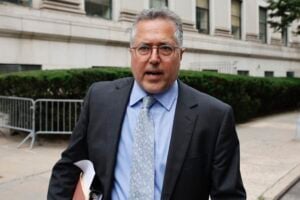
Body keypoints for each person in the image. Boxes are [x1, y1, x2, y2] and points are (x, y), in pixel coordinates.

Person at [47, 8, 246, 200]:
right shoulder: (100, 98)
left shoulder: (214, 117)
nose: (154, 58)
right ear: (132, 53)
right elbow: (68, 167)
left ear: (180, 55)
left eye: (165, 48)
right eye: (144, 48)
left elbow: (228, 195)